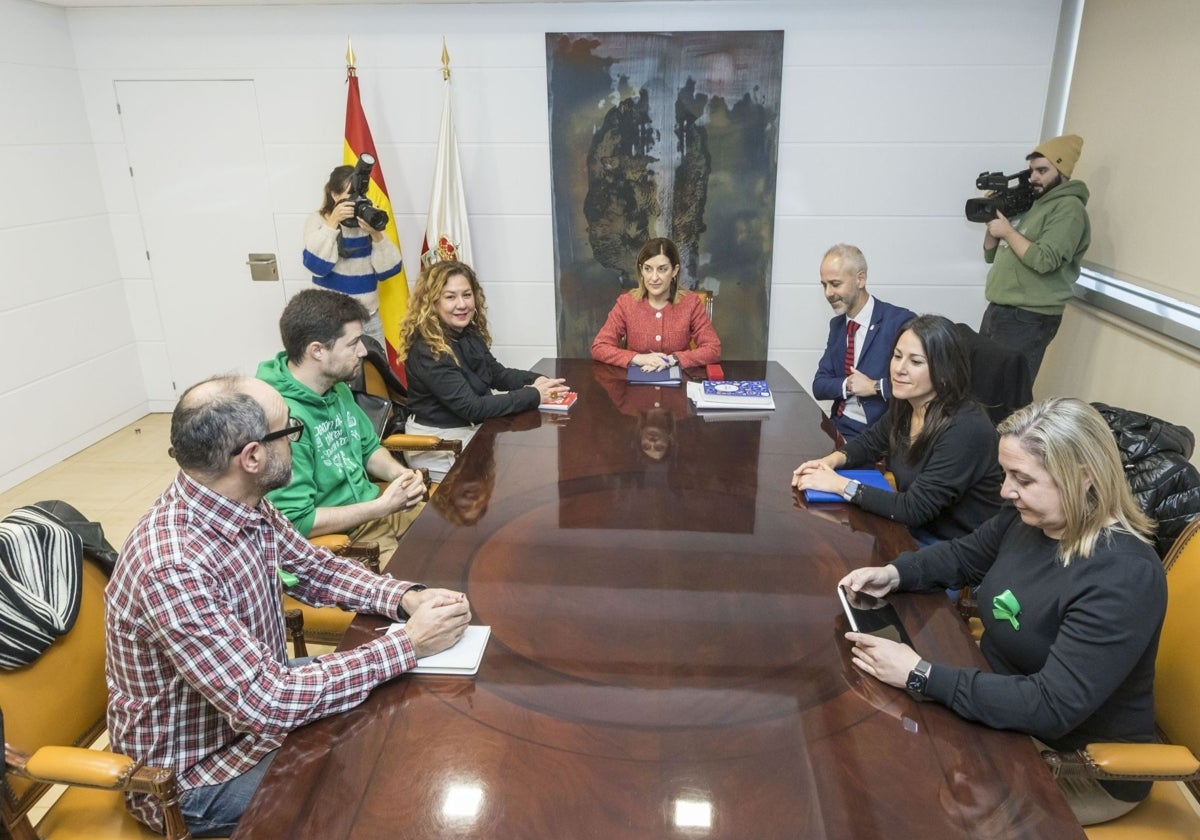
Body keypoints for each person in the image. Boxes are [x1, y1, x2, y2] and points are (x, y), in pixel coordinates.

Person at [105, 376, 471, 836]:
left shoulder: (241, 502)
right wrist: (408, 646)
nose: (299, 437)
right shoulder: (173, 567)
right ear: (253, 457)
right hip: (193, 777)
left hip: (254, 727)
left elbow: (317, 569)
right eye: (289, 430)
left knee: (386, 742)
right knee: (370, 797)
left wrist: (404, 597)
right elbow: (264, 701)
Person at [839, 397, 1164, 826]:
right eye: (1007, 473)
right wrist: (895, 574)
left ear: (1083, 478)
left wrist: (921, 674)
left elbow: (1051, 705)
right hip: (1002, 710)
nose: (1005, 490)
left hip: (1074, 761)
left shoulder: (1123, 576)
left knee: (921, 810)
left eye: (1022, 479)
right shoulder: (1028, 520)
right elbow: (962, 556)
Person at [795, 314, 1003, 543]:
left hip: (954, 549)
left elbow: (914, 508)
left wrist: (839, 485)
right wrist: (828, 462)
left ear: (944, 372)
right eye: (897, 356)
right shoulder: (907, 403)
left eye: (915, 362)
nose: (899, 369)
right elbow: (870, 443)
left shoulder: (966, 428)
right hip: (912, 529)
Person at [257, 288, 426, 562]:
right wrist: (379, 507)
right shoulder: (280, 419)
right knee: (432, 582)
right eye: (353, 343)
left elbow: (368, 448)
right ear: (317, 351)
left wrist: (399, 475)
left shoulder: (336, 387)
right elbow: (296, 521)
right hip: (344, 542)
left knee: (458, 537)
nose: (362, 351)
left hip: (377, 513)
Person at [400, 260, 566, 481]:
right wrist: (534, 394)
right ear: (432, 302)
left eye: (467, 295)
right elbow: (472, 408)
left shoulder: (466, 332)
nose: (462, 304)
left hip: (473, 430)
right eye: (450, 297)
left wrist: (541, 380)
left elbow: (497, 374)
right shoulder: (428, 349)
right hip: (441, 443)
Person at [980, 133, 1090, 381]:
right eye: (1032, 171)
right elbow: (991, 255)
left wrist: (1007, 231)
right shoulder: (1035, 204)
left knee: (1008, 393)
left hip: (1028, 316)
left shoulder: (1069, 209)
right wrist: (992, 220)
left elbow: (1044, 260)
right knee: (984, 386)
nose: (1033, 178)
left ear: (1062, 171)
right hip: (1001, 309)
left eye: (1042, 170)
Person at [811, 244, 915, 442]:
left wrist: (875, 387)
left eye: (835, 284)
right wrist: (848, 384)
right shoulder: (838, 326)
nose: (828, 293)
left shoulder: (899, 322)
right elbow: (819, 385)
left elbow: (924, 382)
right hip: (838, 428)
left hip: (877, 436)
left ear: (861, 279)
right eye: (824, 285)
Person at [302, 164, 403, 346]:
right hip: (329, 319)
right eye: (350, 197)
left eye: (360, 196)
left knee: (375, 370)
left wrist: (376, 234)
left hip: (367, 317)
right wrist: (333, 222)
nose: (356, 202)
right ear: (334, 195)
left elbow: (390, 270)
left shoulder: (366, 221)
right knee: (334, 372)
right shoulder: (318, 220)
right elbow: (315, 266)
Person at [590, 237, 721, 371]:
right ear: (641, 270)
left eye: (662, 269)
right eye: (648, 269)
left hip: (678, 383)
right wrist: (639, 358)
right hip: (636, 383)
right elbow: (599, 347)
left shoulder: (691, 303)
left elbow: (713, 349)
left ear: (674, 271)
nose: (654, 278)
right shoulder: (626, 303)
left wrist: (672, 359)